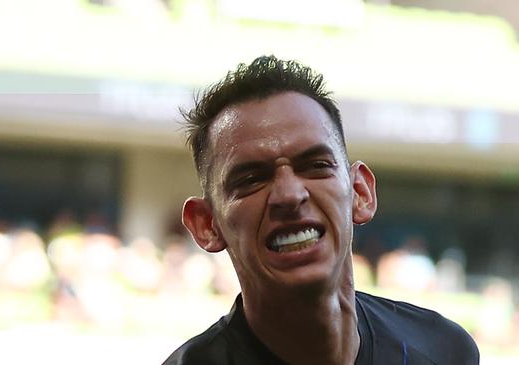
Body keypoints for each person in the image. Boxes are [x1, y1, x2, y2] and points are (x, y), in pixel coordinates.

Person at [162, 56, 479, 365]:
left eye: (315, 166)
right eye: (251, 180)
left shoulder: (443, 350)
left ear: (360, 192)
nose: (289, 194)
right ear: (207, 224)